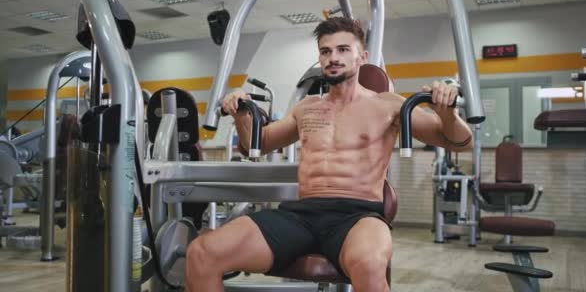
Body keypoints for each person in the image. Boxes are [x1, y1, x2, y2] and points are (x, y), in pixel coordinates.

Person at [186, 17, 473, 292]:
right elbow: (257, 146)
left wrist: (446, 113)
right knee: (202, 252)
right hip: (301, 214)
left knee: (371, 266)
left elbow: (460, 143)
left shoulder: (388, 106)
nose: (333, 57)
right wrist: (240, 113)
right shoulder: (307, 107)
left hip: (358, 215)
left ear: (362, 57)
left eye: (343, 49)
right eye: (325, 51)